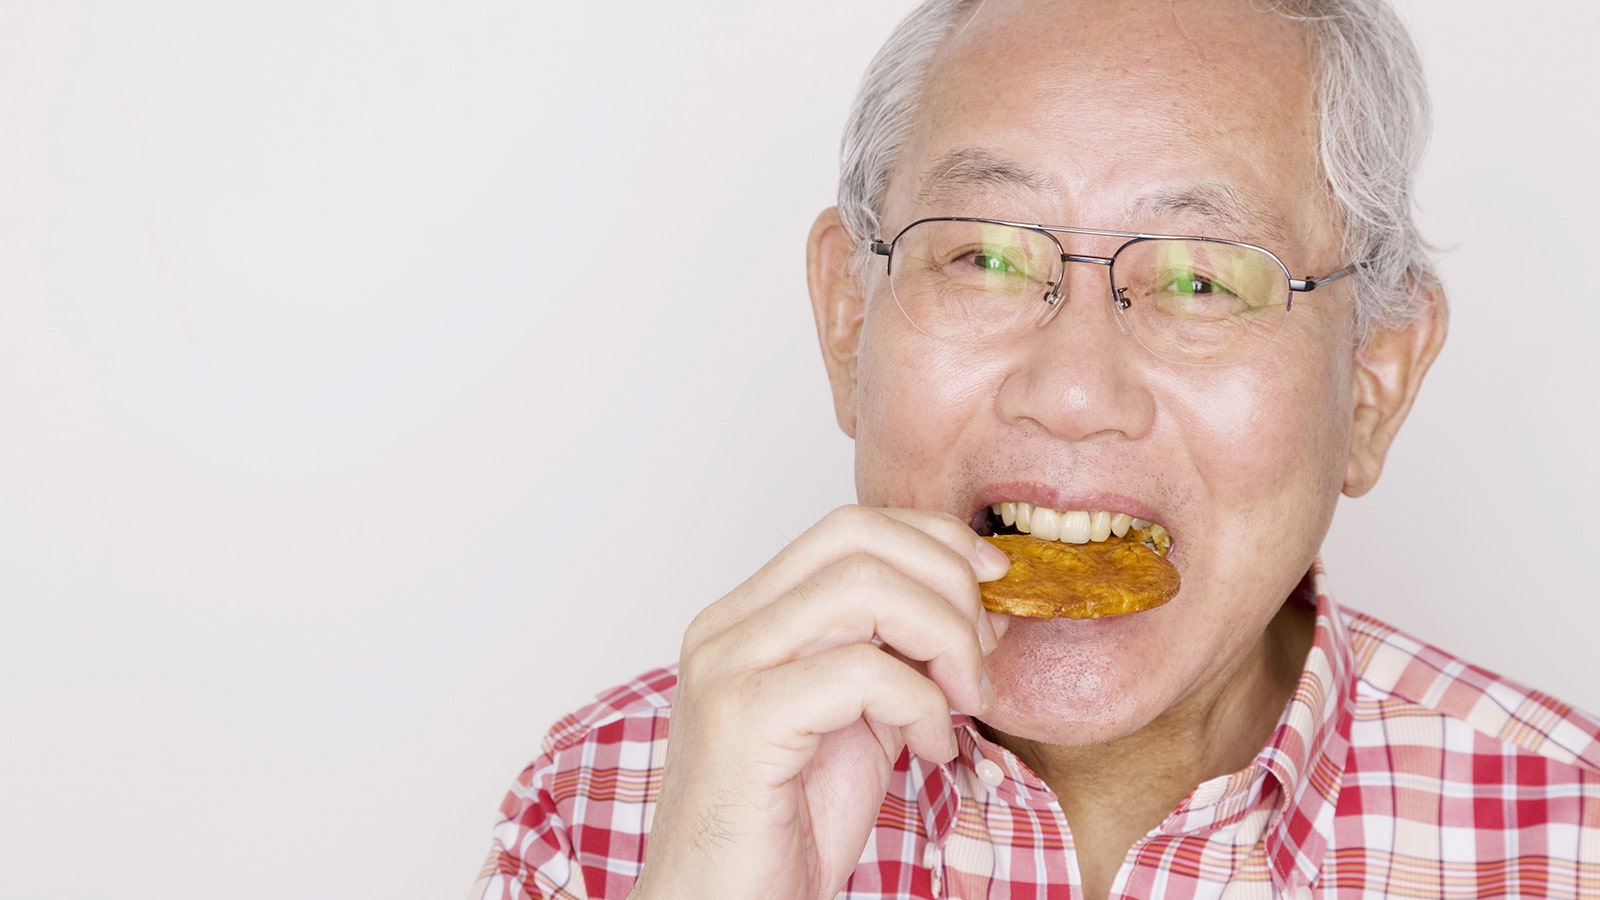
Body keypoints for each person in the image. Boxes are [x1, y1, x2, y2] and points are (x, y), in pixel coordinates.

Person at [474, 0, 1600, 896]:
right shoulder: (603, 810)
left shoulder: (1571, 837)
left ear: (1372, 382)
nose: (1071, 392)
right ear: (846, 321)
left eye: (1203, 280)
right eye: (987, 261)